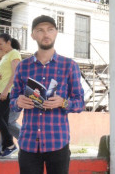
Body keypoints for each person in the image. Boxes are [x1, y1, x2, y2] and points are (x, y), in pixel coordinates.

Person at [10, 15, 84, 174]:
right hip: (28, 143)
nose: (46, 34)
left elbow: (80, 103)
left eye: (50, 30)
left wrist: (62, 102)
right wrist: (18, 102)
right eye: (40, 30)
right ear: (33, 35)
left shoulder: (69, 66)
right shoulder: (23, 67)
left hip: (57, 142)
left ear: (56, 33)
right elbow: (12, 101)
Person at [0, 34, 22, 158]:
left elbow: (15, 74)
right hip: (3, 91)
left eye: (0, 44)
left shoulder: (14, 53)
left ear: (8, 42)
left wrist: (6, 90)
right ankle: (4, 149)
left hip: (10, 92)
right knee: (2, 120)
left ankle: (10, 145)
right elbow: (4, 73)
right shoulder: (6, 56)